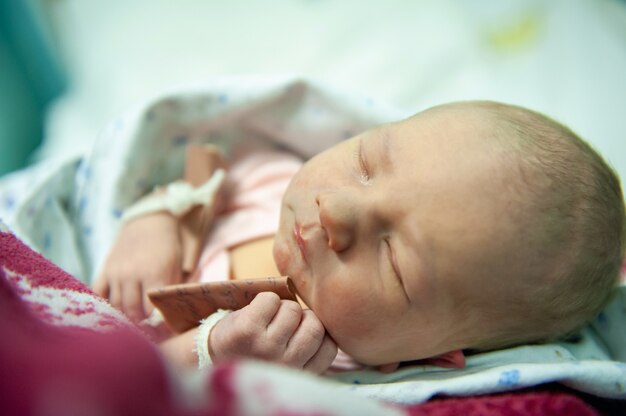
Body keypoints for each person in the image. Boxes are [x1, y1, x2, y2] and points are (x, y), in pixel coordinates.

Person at [94, 100, 626, 374]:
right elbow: (195, 176)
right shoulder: (267, 178)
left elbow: (123, 388)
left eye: (394, 259)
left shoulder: (332, 370)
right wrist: (153, 221)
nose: (337, 210)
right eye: (365, 163)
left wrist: (211, 355)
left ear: (431, 356)